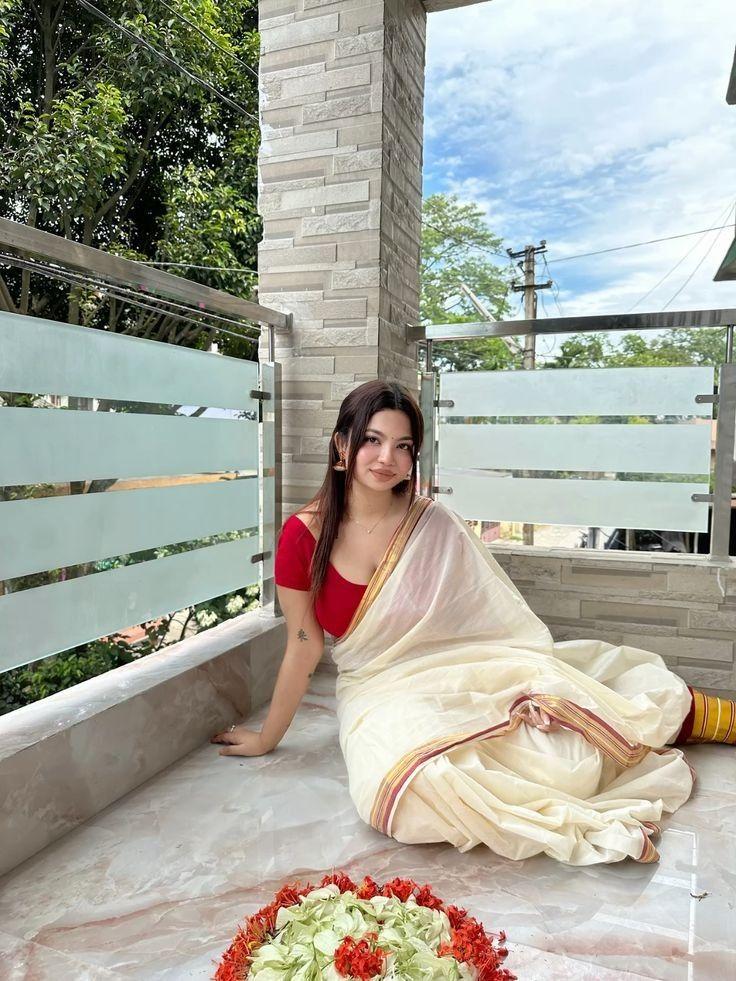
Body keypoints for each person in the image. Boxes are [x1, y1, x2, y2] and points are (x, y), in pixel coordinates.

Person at [212, 380, 736, 866]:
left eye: (402, 446)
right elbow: (304, 643)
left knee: (562, 753)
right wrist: (268, 737)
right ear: (341, 445)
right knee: (407, 792)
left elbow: (496, 622)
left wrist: (527, 684)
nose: (387, 458)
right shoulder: (303, 536)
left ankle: (702, 718)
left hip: (470, 670)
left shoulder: (432, 523)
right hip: (379, 686)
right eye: (372, 440)